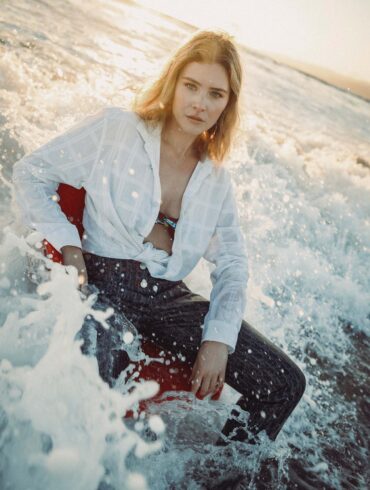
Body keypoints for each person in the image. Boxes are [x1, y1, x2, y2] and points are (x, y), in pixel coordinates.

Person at [12, 30, 305, 445]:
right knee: (95, 402)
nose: (200, 103)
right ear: (173, 81)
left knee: (284, 383)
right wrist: (69, 245)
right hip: (103, 286)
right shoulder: (119, 129)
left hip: (170, 298)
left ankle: (222, 474)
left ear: (229, 104)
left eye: (216, 94)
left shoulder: (217, 181)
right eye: (191, 86)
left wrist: (218, 338)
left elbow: (234, 264)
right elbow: (32, 172)